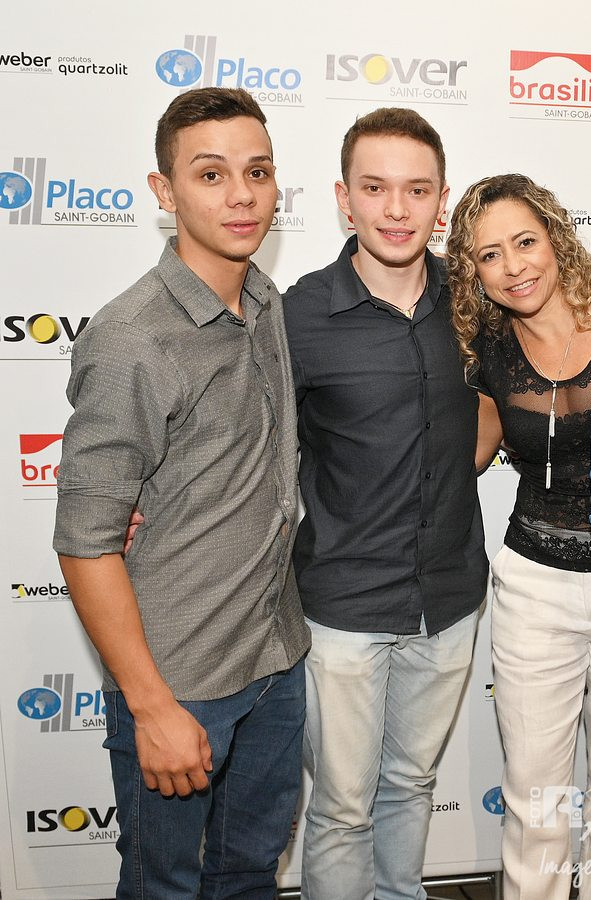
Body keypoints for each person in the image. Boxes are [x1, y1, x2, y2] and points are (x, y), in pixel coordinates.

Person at [53, 87, 309, 898]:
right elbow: (85, 542)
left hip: (274, 655)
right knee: (161, 885)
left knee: (249, 875)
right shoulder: (132, 339)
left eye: (257, 172)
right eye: (210, 174)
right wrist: (152, 707)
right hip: (180, 679)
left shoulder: (265, 301)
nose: (241, 195)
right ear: (164, 191)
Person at [282, 107, 486, 900]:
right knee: (341, 807)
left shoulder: (474, 303)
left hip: (449, 595)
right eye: (374, 188)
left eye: (416, 190)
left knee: (410, 782)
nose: (396, 209)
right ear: (344, 199)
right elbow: (250, 443)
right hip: (342, 603)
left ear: (442, 200)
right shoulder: (298, 314)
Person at [446, 173, 591, 898]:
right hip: (534, 586)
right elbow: (468, 455)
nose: (514, 266)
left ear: (556, 237)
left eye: (525, 242)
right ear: (473, 272)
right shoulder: (486, 349)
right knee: (535, 799)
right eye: (490, 255)